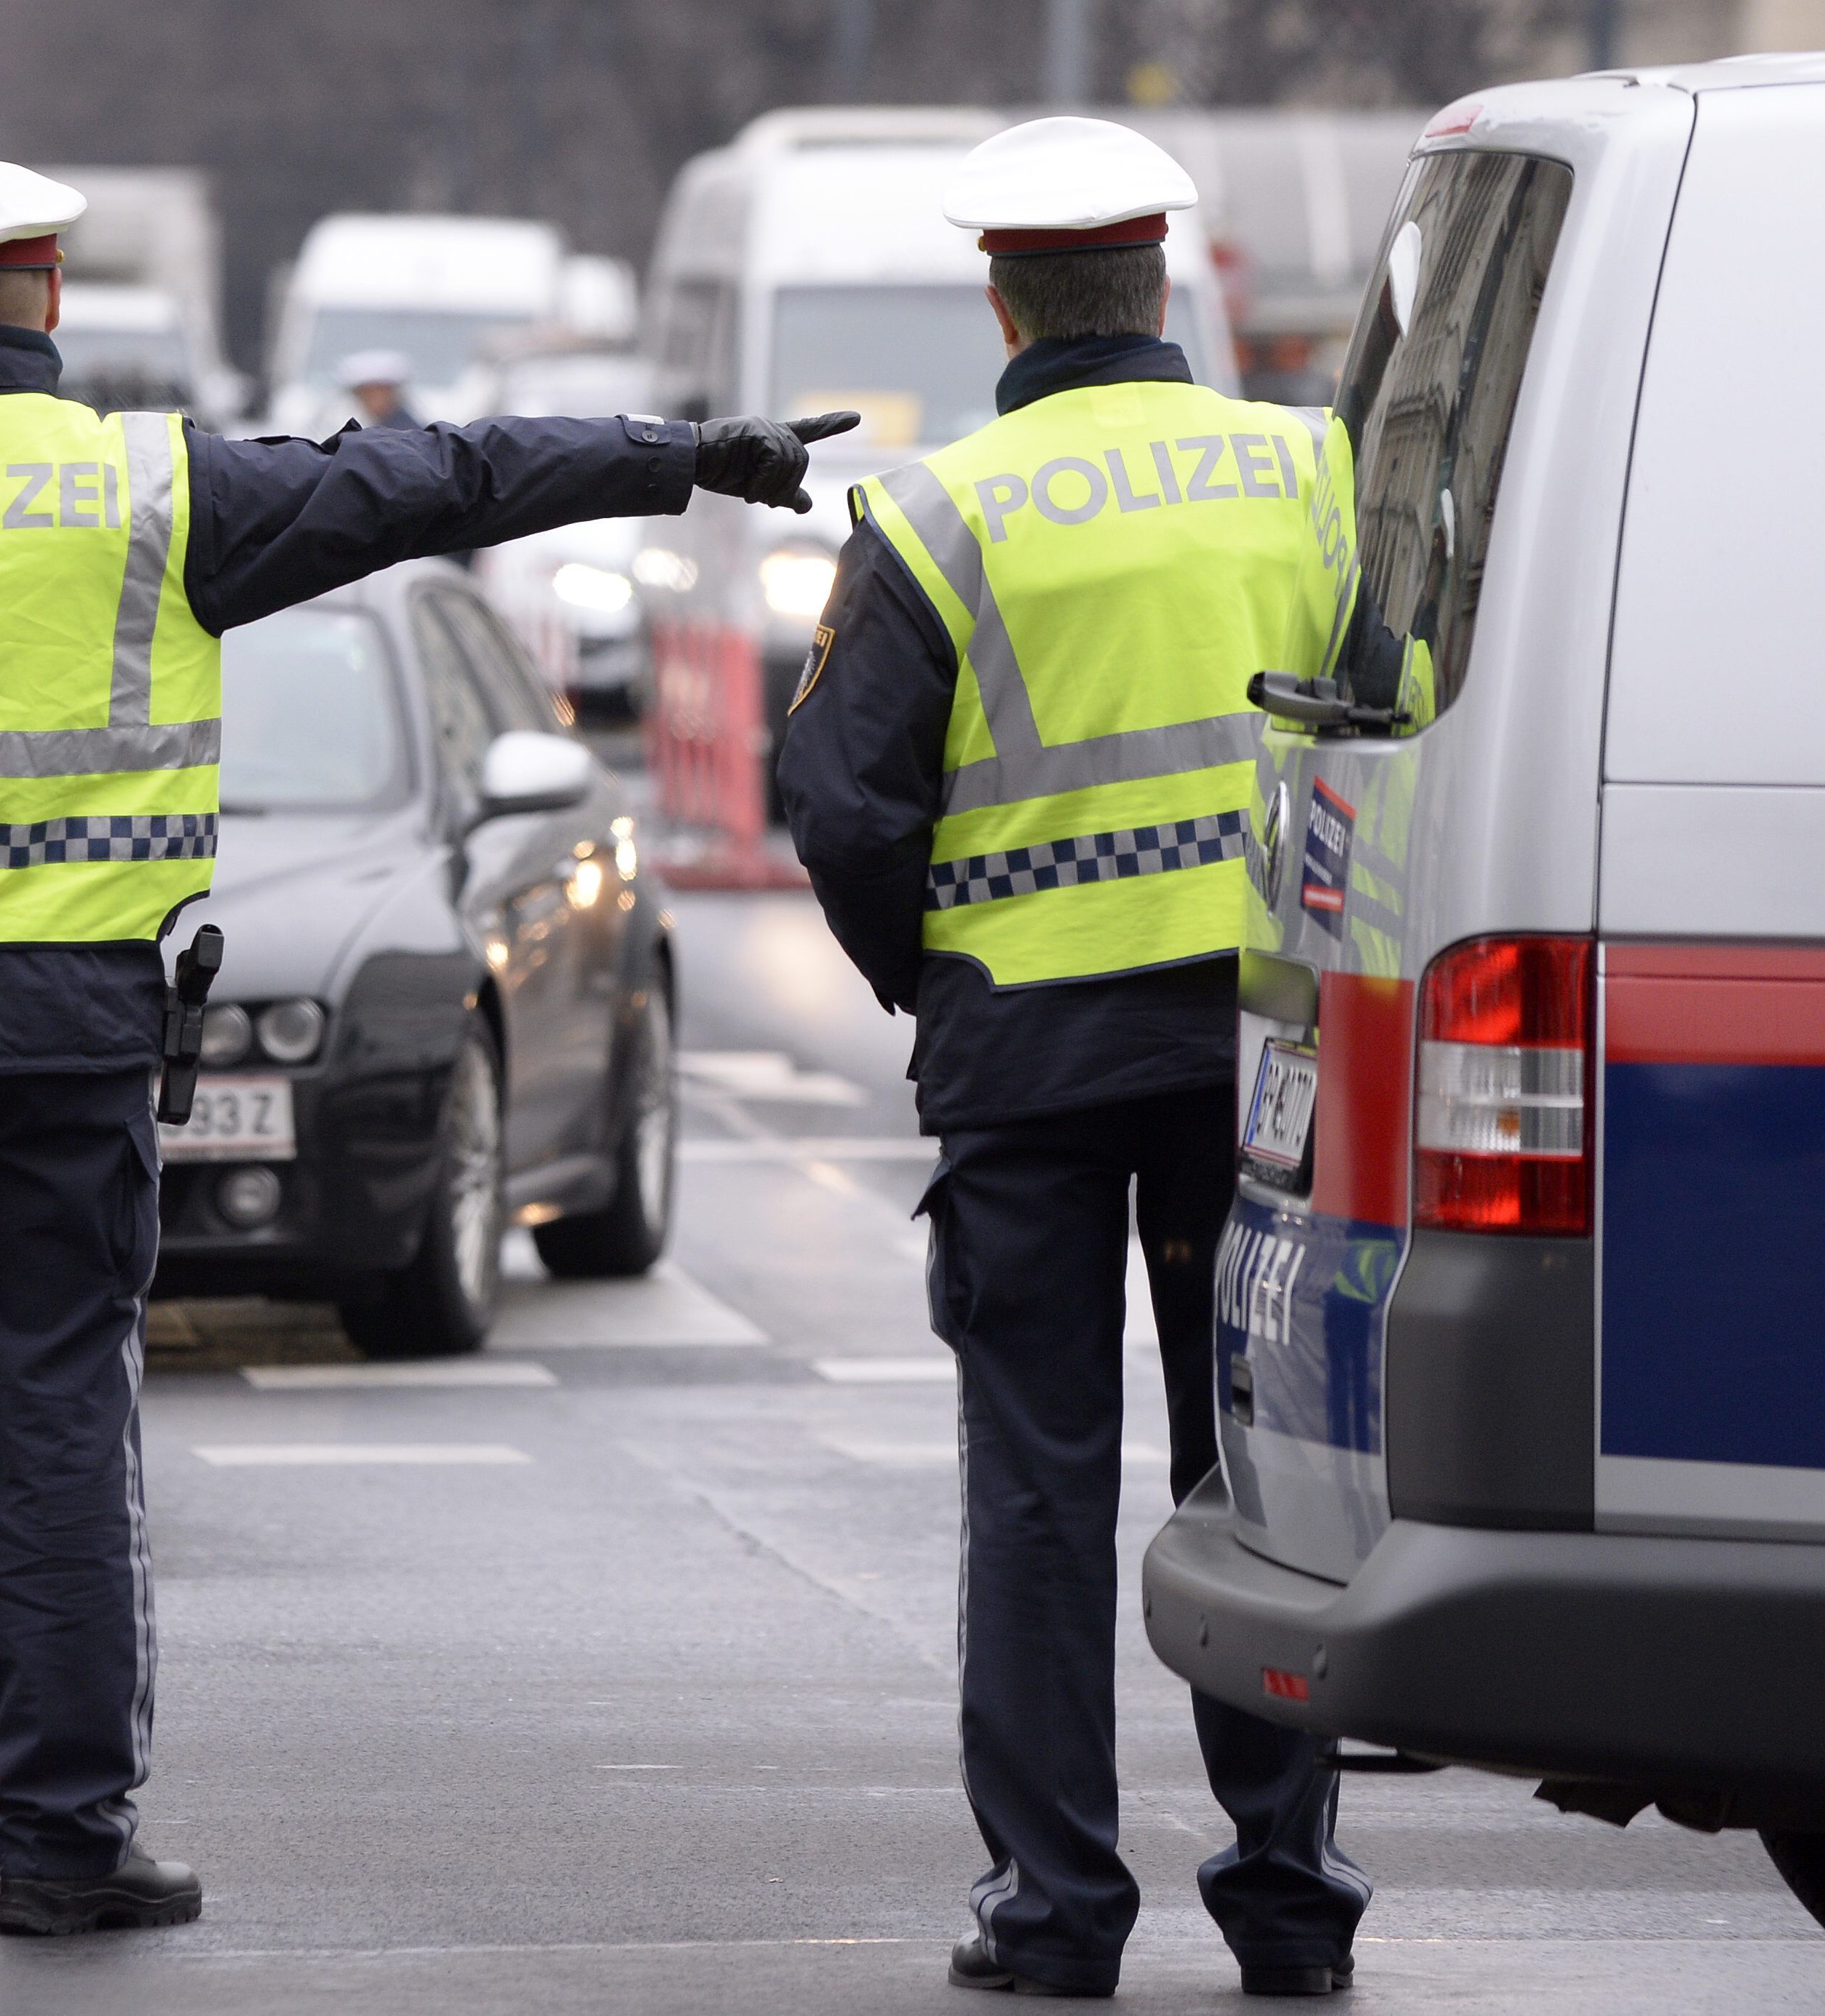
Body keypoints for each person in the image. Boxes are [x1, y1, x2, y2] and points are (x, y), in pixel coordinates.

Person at [0, 156, 854, 1942]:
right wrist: (682, 452)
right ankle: (63, 1843)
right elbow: (440, 478)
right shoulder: (157, 488)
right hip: (69, 1046)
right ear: (48, 295)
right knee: (62, 1414)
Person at [775, 118, 1369, 1999]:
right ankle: (1285, 1896)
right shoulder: (1314, 473)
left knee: (1034, 1481)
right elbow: (1396, 721)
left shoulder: (938, 511)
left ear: (999, 295)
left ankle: (1055, 1911)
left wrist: (934, 979)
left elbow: (843, 805)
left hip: (1026, 1058)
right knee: (1259, 1480)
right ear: (1165, 281)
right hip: (1263, 1062)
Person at [333, 347, 421, 429]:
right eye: (368, 394)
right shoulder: (364, 425)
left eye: (381, 392)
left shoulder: (409, 432)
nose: (375, 400)